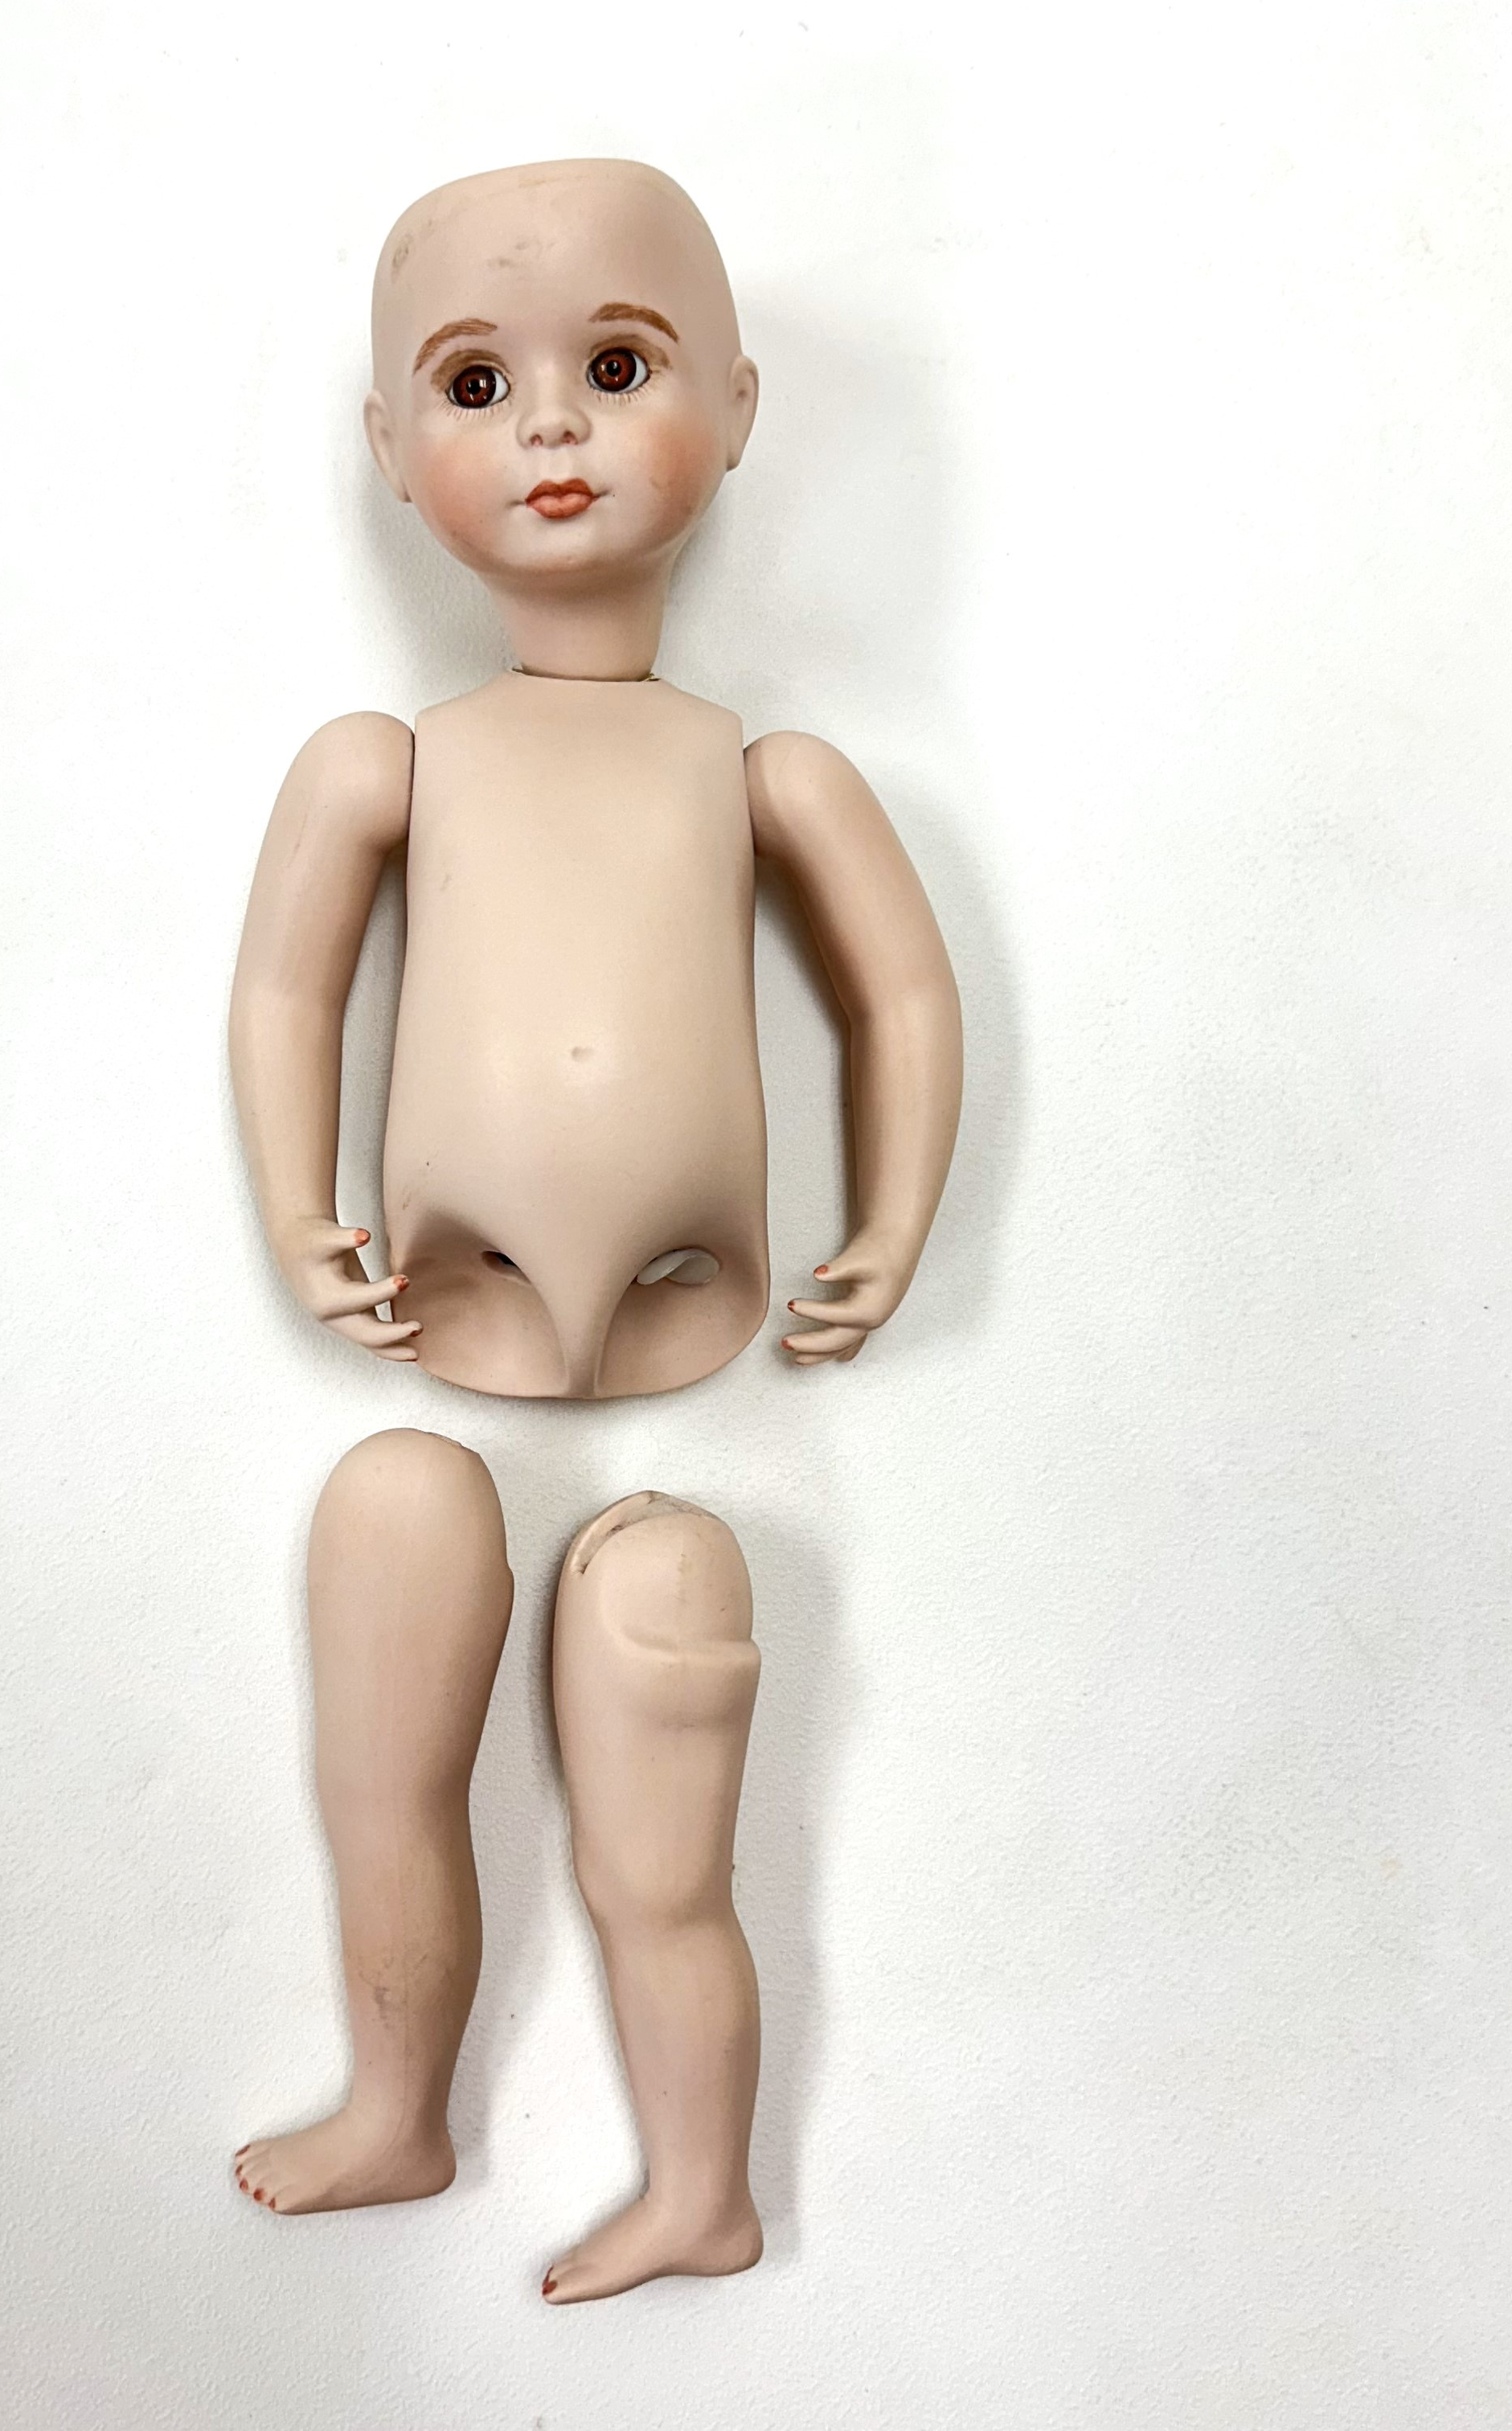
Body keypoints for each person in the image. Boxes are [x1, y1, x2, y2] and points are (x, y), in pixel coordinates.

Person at [226, 158, 961, 2303]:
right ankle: (399, 2109)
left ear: (735, 406)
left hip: (690, 1313)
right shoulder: (384, 763)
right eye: (478, 385)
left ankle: (698, 2187)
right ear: (392, 448)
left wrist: (896, 1217)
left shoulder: (768, 772)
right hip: (446, 1301)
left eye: (616, 367)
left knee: (651, 1714)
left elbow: (902, 999)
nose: (550, 426)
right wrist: (299, 1206)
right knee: (395, 1591)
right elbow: (281, 995)